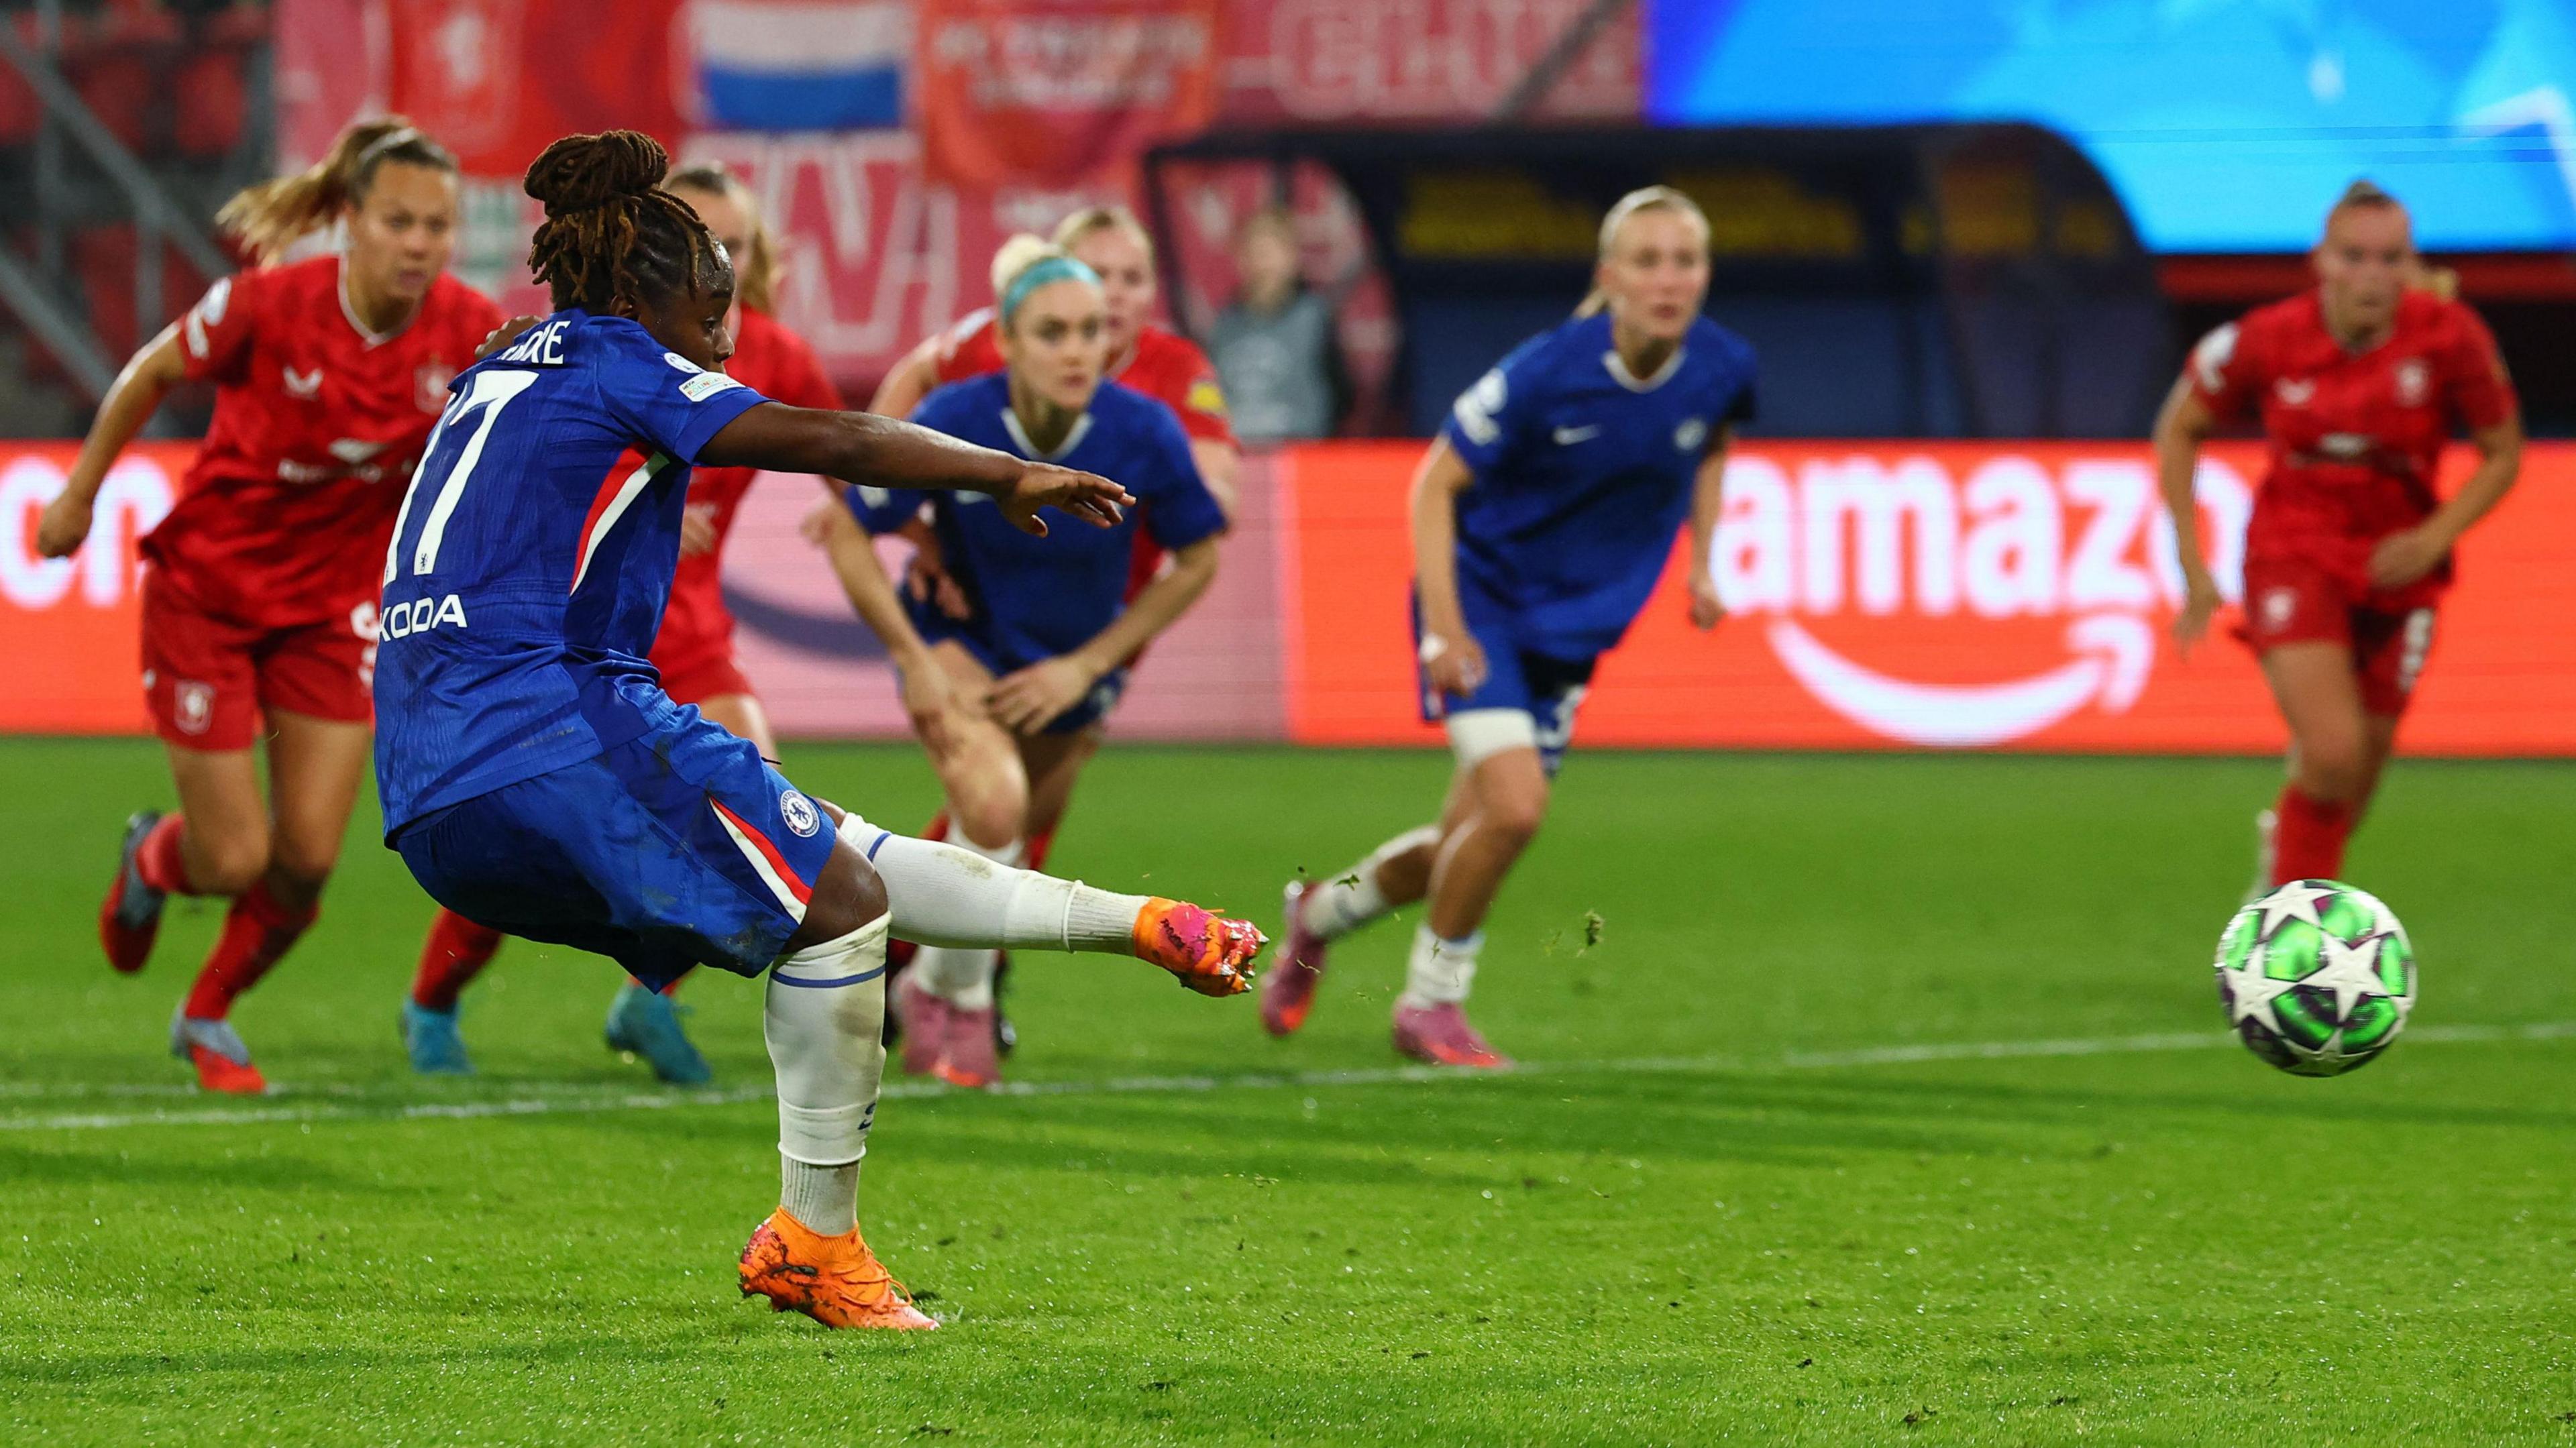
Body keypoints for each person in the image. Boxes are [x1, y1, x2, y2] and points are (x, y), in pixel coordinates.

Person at [373, 130, 1262, 1330]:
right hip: (551, 724)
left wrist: (1132, 925)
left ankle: (1145, 926)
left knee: (836, 867)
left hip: (428, 780)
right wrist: (1004, 473)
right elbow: (835, 443)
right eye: (714, 307)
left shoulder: (501, 366)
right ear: (648, 298)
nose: (727, 337)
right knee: (838, 913)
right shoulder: (627, 365)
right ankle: (814, 1242)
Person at [36, 118, 503, 1094]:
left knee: (304, 860)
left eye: (437, 226)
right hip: (207, 591)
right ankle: (157, 855)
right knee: (237, 854)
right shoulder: (268, 305)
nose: (419, 243)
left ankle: (206, 1015)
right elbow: (151, 371)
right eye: (399, 221)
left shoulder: (468, 329)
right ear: (349, 221)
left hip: (334, 607)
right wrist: (80, 493)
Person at [1260, 186, 1754, 1068]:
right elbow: (1433, 484)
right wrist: (1445, 631)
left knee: (1467, 841)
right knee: (1517, 810)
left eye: (1686, 261)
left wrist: (1704, 559)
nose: (1669, 279)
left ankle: (1318, 914)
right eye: (1647, 260)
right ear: (1610, 276)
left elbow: (1712, 441)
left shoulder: (1720, 364)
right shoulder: (1547, 371)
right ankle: (1430, 1004)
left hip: (1572, 637)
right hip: (1484, 610)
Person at [400, 161, 843, 1084]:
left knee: (753, 783)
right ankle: (436, 995)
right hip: (573, 624)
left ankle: (652, 999)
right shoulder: (598, 350)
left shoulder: (775, 353)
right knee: (546, 812)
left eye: (742, 243)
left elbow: (840, 456)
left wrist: (882, 530)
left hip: (684, 622)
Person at [808, 234, 1228, 1089]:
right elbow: (851, 528)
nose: (1076, 350)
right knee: (995, 809)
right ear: (1005, 340)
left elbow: (1201, 555)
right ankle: (950, 1001)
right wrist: (912, 661)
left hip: (1071, 671)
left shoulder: (1143, 430)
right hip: (963, 651)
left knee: (1015, 842)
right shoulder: (958, 417)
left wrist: (1090, 665)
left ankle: (925, 981)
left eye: (1088, 332)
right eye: (1051, 332)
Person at [2155, 180, 2520, 894]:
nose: (2373, 275)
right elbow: (2181, 427)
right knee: (2332, 749)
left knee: (2353, 774)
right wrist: (2192, 562)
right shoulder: (2265, 339)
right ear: (2321, 261)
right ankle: (2288, 936)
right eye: (2355, 256)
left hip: (2400, 564)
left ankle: (2289, 862)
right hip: (2296, 551)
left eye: (2391, 258)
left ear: (2410, 265)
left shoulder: (2450, 337)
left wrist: (2436, 533)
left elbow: (2502, 452)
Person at [1207, 205, 1346, 443]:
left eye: (1271, 252)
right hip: (1240, 452)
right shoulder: (1224, 327)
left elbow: (1341, 391)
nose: (1263, 263)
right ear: (1239, 260)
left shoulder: (1315, 318)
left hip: (1303, 451)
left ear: (1292, 258)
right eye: (1254, 252)